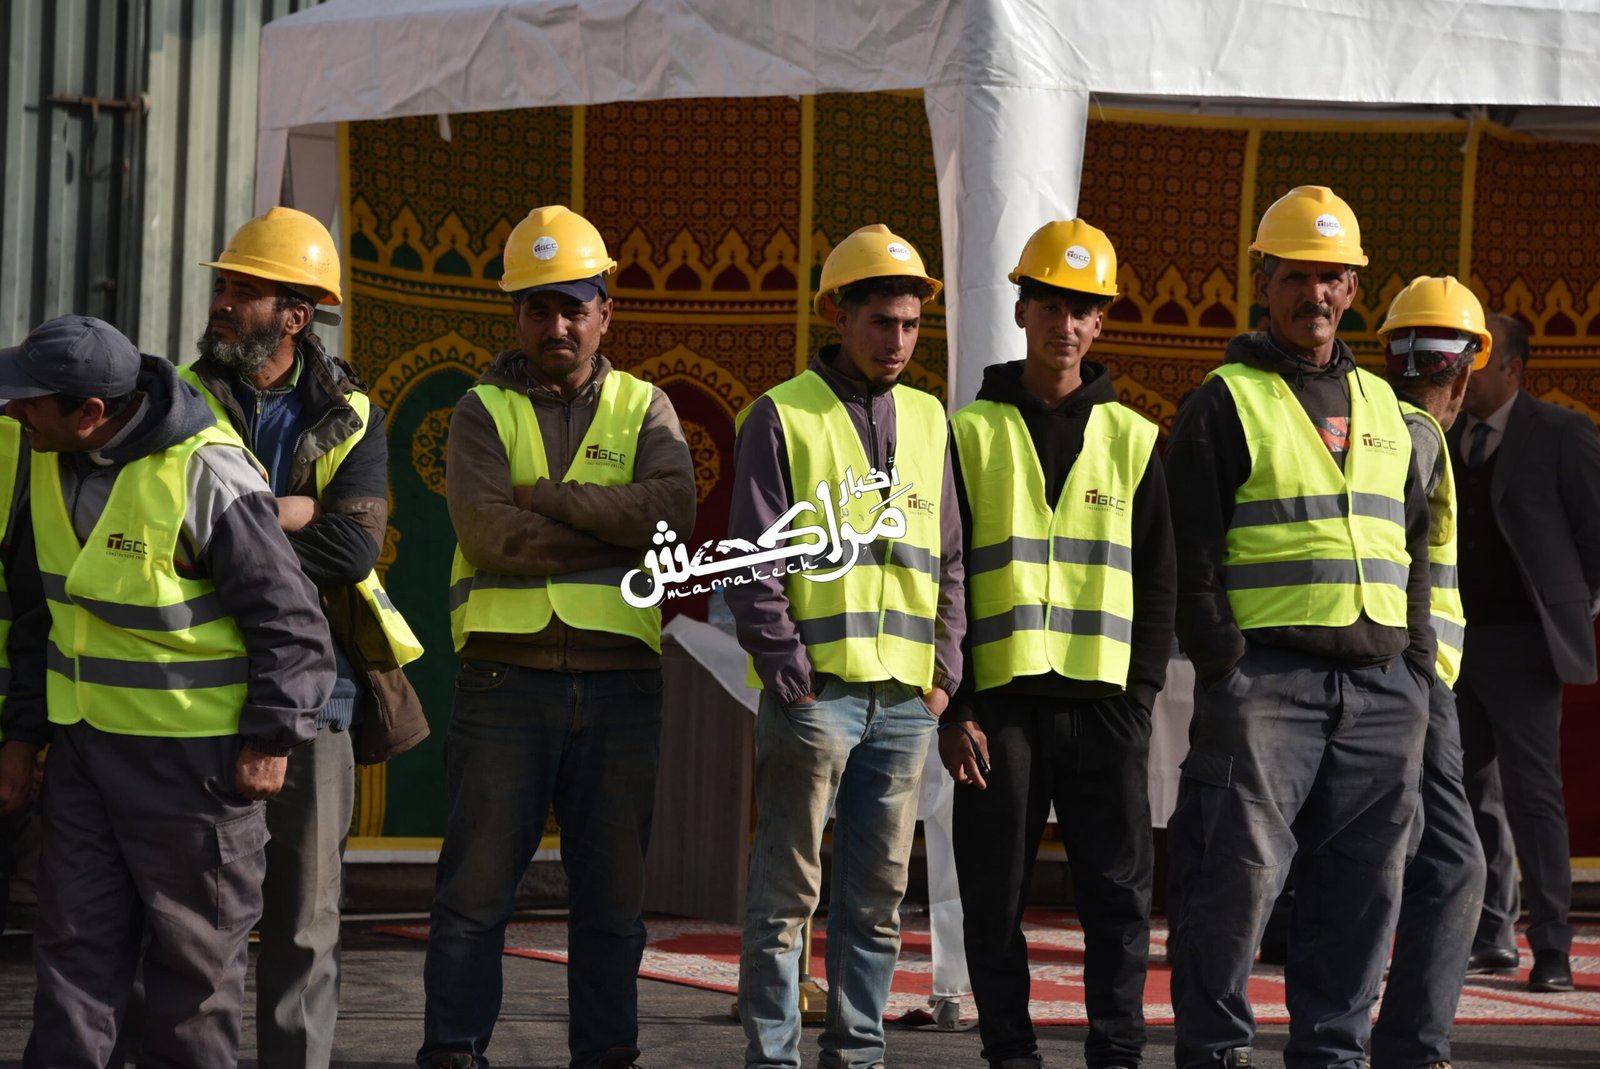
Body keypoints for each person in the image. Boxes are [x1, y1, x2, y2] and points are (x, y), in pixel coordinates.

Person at [0, 313, 334, 1067]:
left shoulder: (205, 472)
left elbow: (293, 624)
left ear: (90, 412)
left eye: (30, 402)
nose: (15, 413)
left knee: (192, 982)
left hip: (196, 769)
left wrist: (270, 740)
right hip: (85, 754)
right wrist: (24, 737)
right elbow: (39, 617)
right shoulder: (44, 458)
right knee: (72, 963)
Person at [418, 205, 696, 1069]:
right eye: (538, 308)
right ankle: (453, 1053)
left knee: (612, 902)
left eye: (574, 307)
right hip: (506, 683)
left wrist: (545, 497)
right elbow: (490, 537)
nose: (558, 326)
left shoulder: (646, 406)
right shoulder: (481, 410)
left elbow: (672, 515)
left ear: (606, 312)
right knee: (473, 896)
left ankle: (606, 1052)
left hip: (620, 686)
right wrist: (615, 533)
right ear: (517, 316)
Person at [1163, 186, 1433, 1069]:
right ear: (1263, 282)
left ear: (1352, 287)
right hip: (1268, 684)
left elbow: (1414, 547)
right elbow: (1189, 556)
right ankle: (1216, 1050)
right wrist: (1228, 670)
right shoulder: (1224, 401)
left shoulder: (1390, 408)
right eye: (1294, 276)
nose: (1313, 294)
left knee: (1364, 891)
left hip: (1382, 686)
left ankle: (1333, 1054)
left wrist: (1417, 669)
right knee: (1233, 883)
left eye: (1329, 277)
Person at [185, 205, 429, 1068]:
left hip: (319, 694)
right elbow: (170, 533)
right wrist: (285, 511)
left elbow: (351, 547)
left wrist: (234, 533)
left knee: (303, 917)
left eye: (242, 290)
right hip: (195, 683)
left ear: (295, 315)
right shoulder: (176, 399)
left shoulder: (354, 414)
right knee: (194, 914)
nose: (221, 303)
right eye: (221, 285)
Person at [727, 223, 965, 1069]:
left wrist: (943, 673)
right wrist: (789, 672)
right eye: (882, 323)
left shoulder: (930, 418)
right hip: (818, 696)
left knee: (876, 899)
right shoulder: (783, 414)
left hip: (904, 701)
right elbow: (752, 561)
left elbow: (950, 557)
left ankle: (858, 1053)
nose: (898, 340)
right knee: (786, 896)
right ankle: (774, 1058)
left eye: (911, 325)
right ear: (839, 314)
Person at [941, 219, 1174, 1069]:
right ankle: (1011, 1053)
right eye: (1049, 305)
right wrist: (956, 703)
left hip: (1105, 705)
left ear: (1100, 321)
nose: (1064, 324)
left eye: (1081, 309)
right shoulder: (968, 433)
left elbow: (1160, 580)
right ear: (1021, 310)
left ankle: (1116, 1052)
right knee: (993, 895)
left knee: (1117, 897)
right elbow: (944, 577)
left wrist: (1140, 696)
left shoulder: (1135, 438)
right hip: (998, 706)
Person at [1451, 311, 1600, 993]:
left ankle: (1553, 947)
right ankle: (1490, 934)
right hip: (1454, 644)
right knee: (1462, 792)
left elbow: (1595, 534)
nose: (1463, 368)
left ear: (1512, 367)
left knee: (1533, 798)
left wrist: (1568, 609)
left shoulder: (1562, 432)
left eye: (1478, 356)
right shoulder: (1443, 430)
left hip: (1525, 646)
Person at [1370, 276, 1491, 1069]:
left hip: (1392, 674)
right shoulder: (1418, 436)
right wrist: (1418, 674)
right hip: (1413, 680)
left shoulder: (1375, 424)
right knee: (1452, 863)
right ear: (1467, 369)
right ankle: (1413, 1047)